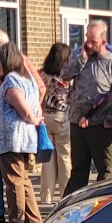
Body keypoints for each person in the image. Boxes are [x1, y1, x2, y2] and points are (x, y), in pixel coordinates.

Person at [0, 43, 42, 223]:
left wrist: (31, 117)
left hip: (12, 139)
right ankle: (33, 222)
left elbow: (21, 105)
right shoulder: (28, 78)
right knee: (23, 180)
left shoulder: (11, 79)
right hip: (24, 137)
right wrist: (34, 119)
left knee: (13, 181)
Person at [63, 19, 112, 192]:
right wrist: (81, 59)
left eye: (93, 41)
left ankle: (104, 200)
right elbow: (64, 75)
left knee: (107, 169)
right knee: (78, 170)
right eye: (87, 40)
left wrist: (110, 119)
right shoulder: (80, 58)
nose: (88, 45)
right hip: (77, 121)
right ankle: (71, 203)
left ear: (104, 41)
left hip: (99, 123)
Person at [38, 40, 71, 206]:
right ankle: (66, 194)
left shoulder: (42, 74)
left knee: (48, 159)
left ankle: (46, 196)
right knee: (65, 157)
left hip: (45, 117)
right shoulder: (68, 75)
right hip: (62, 117)